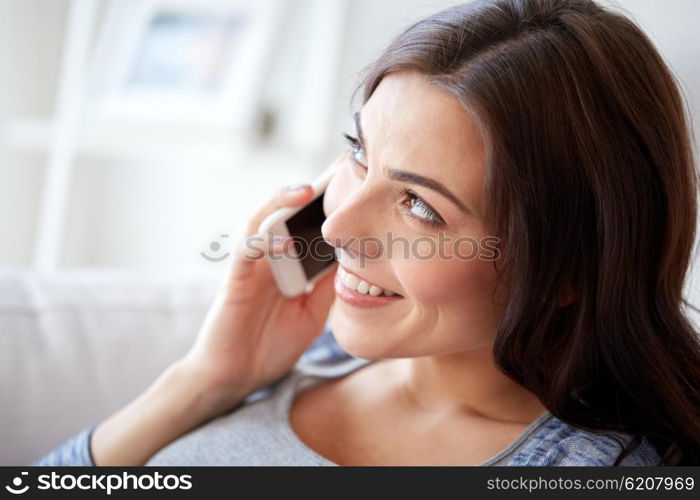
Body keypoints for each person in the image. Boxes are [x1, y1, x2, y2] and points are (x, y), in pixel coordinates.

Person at [31, 0, 700, 466]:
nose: (339, 224)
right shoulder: (307, 357)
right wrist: (206, 381)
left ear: (565, 272)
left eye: (420, 205)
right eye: (359, 153)